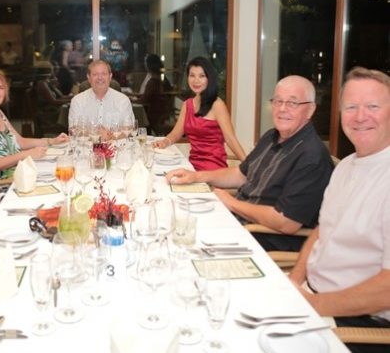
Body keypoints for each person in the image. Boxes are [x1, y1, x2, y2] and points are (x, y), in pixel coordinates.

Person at [166, 75, 334, 251]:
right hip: (237, 221)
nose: (282, 109)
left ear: (310, 110)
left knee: (182, 241)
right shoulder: (271, 136)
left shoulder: (312, 157)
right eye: (278, 101)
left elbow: (286, 222)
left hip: (259, 238)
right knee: (174, 219)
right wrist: (196, 176)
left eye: (292, 103)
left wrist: (231, 203)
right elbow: (240, 174)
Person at [289, 67, 390, 353]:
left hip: (358, 324)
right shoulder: (345, 166)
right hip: (315, 298)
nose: (360, 116)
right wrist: (294, 282)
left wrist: (314, 305)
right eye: (351, 107)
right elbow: (322, 230)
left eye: (373, 106)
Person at [0, 70, 67, 179]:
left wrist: (52, 141)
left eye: (0, 88)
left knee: (61, 169)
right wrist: (25, 155)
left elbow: (20, 141)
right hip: (1, 182)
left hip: (18, 173)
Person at [154, 56, 246, 168]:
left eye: (201, 76)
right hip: (192, 166)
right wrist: (165, 142)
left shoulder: (217, 105)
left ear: (209, 78)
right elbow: (176, 133)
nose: (196, 80)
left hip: (214, 168)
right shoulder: (187, 105)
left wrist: (250, 165)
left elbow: (231, 139)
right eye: (192, 75)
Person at [69, 60, 134, 135]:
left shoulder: (123, 100)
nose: (100, 78)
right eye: (95, 74)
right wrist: (99, 134)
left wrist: (109, 136)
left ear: (110, 77)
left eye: (104, 74)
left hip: (117, 143)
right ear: (88, 77)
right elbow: (73, 130)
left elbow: (129, 130)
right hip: (86, 143)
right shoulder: (77, 101)